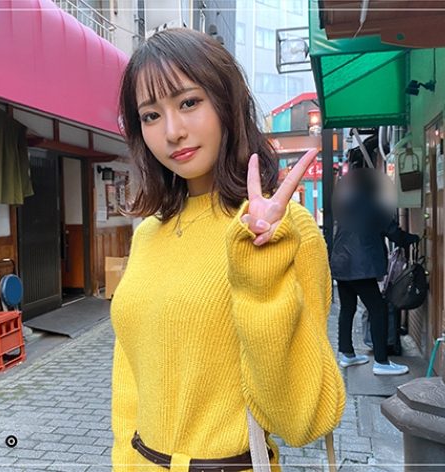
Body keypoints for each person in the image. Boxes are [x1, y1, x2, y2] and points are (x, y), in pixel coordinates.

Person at [111, 28, 345, 471]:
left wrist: (261, 277)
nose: (173, 132)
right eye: (151, 115)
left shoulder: (284, 230)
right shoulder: (147, 234)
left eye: (188, 103)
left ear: (226, 102)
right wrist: (123, 459)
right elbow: (129, 378)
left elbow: (302, 419)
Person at [330, 166, 420, 376]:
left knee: (347, 308)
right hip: (360, 266)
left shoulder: (345, 203)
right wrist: (414, 238)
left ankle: (347, 354)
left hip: (341, 262)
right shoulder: (373, 204)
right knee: (378, 309)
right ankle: (381, 362)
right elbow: (393, 232)